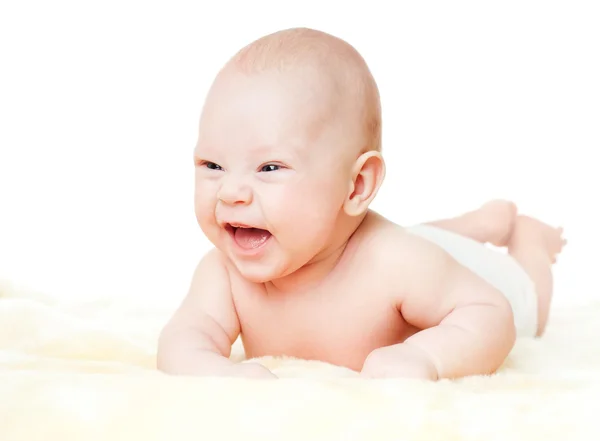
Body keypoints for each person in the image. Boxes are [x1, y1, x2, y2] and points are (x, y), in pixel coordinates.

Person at [157, 28, 565, 380]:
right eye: (212, 164)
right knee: (420, 240)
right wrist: (214, 372)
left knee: (528, 302)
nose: (230, 192)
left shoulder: (396, 263)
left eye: (269, 167)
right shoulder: (224, 273)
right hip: (414, 243)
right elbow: (183, 339)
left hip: (456, 268)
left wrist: (427, 356)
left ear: (356, 186)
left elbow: (491, 311)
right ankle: (473, 224)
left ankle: (529, 241)